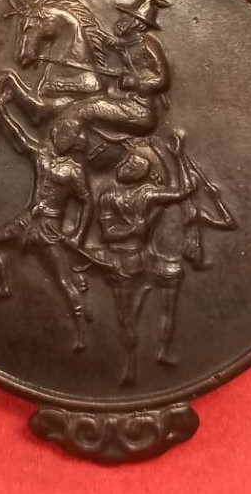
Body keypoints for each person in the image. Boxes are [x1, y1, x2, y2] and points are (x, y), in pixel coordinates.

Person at [0, 94, 92, 352]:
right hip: (28, 219)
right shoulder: (43, 155)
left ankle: (81, 333)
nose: (59, 136)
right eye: (58, 132)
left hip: (49, 228)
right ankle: (3, 285)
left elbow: (87, 203)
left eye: (66, 134)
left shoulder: (74, 172)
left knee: (63, 282)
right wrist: (2, 111)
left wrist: (79, 233)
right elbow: (19, 136)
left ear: (74, 140)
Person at [97, 132, 196, 384]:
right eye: (128, 162)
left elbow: (184, 191)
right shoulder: (107, 197)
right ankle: (129, 363)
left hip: (143, 257)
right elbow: (107, 234)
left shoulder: (148, 193)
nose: (126, 165)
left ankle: (163, 349)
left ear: (141, 174)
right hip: (120, 260)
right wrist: (133, 230)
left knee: (170, 281)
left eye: (134, 165)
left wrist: (178, 156)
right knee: (126, 317)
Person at [53, 0, 171, 138]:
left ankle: (56, 151)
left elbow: (163, 80)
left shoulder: (148, 45)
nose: (121, 20)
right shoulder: (128, 43)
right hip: (124, 101)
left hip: (138, 108)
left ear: (140, 26)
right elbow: (119, 45)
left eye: (128, 18)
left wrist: (132, 81)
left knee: (80, 111)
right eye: (123, 16)